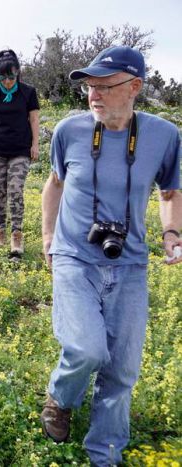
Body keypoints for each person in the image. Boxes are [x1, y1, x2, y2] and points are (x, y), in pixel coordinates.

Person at [40, 46, 182, 466]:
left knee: (121, 370)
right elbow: (54, 184)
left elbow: (170, 193)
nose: (93, 95)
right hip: (74, 256)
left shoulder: (164, 136)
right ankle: (61, 398)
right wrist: (48, 235)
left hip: (131, 264)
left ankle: (105, 454)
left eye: (104, 86)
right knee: (86, 350)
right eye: (89, 86)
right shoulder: (69, 130)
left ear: (134, 87)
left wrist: (171, 233)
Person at [0, 49, 39, 259]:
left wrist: (35, 145)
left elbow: (34, 120)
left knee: (15, 190)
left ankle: (16, 236)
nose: (8, 81)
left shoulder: (29, 92)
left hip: (21, 149)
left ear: (18, 73)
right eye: (3, 77)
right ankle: (0, 232)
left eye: (11, 77)